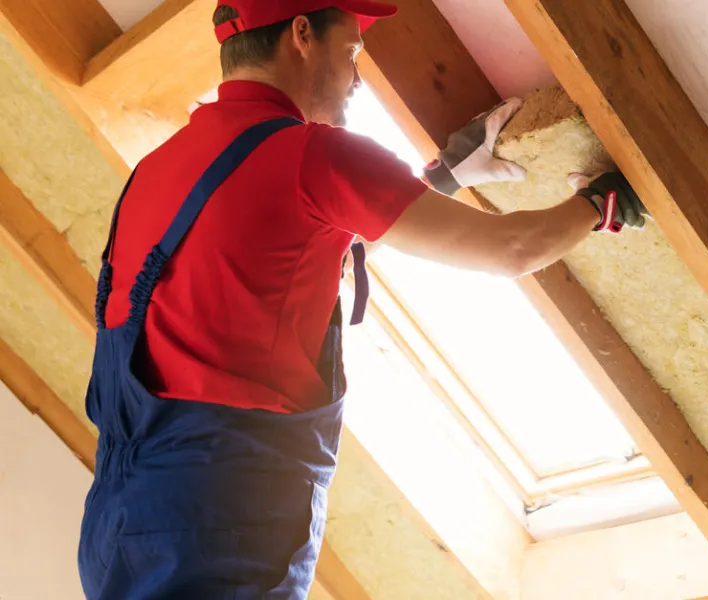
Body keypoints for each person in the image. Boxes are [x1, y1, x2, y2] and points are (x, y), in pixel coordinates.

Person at [75, 1, 648, 597]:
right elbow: (512, 249)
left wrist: (446, 177)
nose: (355, 78)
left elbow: (300, 253)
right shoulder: (313, 154)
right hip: (220, 522)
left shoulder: (157, 168)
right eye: (351, 52)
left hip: (120, 526)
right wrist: (602, 202)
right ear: (302, 34)